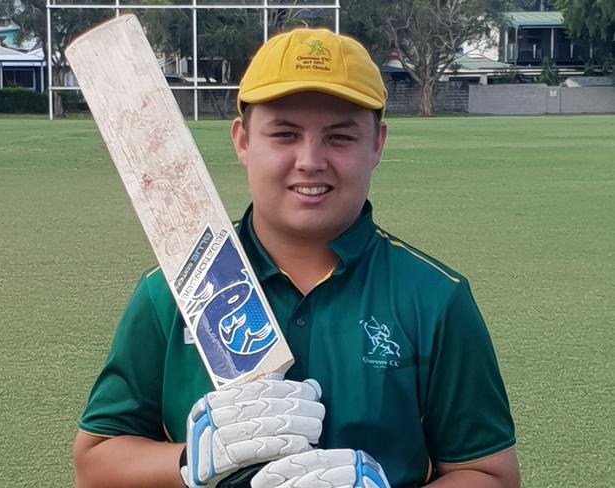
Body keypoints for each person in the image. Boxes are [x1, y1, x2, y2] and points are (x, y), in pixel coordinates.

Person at [73, 27, 520, 488]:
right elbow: (94, 464)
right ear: (242, 140)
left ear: (377, 144)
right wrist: (190, 460)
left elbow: (490, 474)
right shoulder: (171, 289)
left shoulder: (433, 298)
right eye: (285, 134)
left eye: (340, 137)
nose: (310, 160)